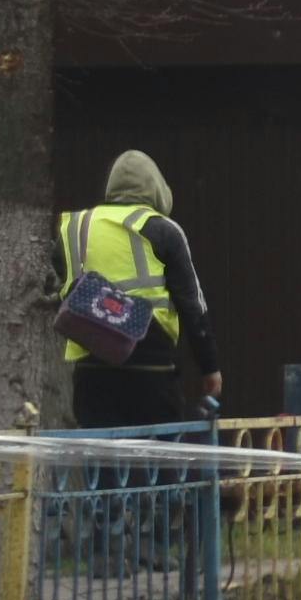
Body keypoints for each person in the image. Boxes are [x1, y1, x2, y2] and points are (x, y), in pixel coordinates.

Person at [61, 148, 220, 431]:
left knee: (102, 466)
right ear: (157, 189)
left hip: (91, 368)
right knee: (156, 466)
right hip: (150, 368)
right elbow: (192, 307)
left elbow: (60, 282)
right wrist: (209, 367)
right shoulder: (163, 230)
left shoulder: (75, 227)